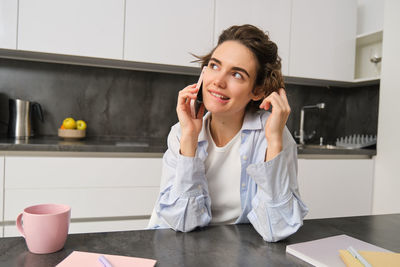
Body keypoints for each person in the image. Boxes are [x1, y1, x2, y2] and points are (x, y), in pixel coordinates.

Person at [148, 24, 308, 242]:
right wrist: (189, 140)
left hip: (235, 251)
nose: (218, 81)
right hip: (175, 244)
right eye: (214, 66)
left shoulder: (273, 135)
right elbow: (183, 223)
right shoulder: (180, 132)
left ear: (258, 91)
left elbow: (277, 229)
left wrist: (274, 144)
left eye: (237, 74)